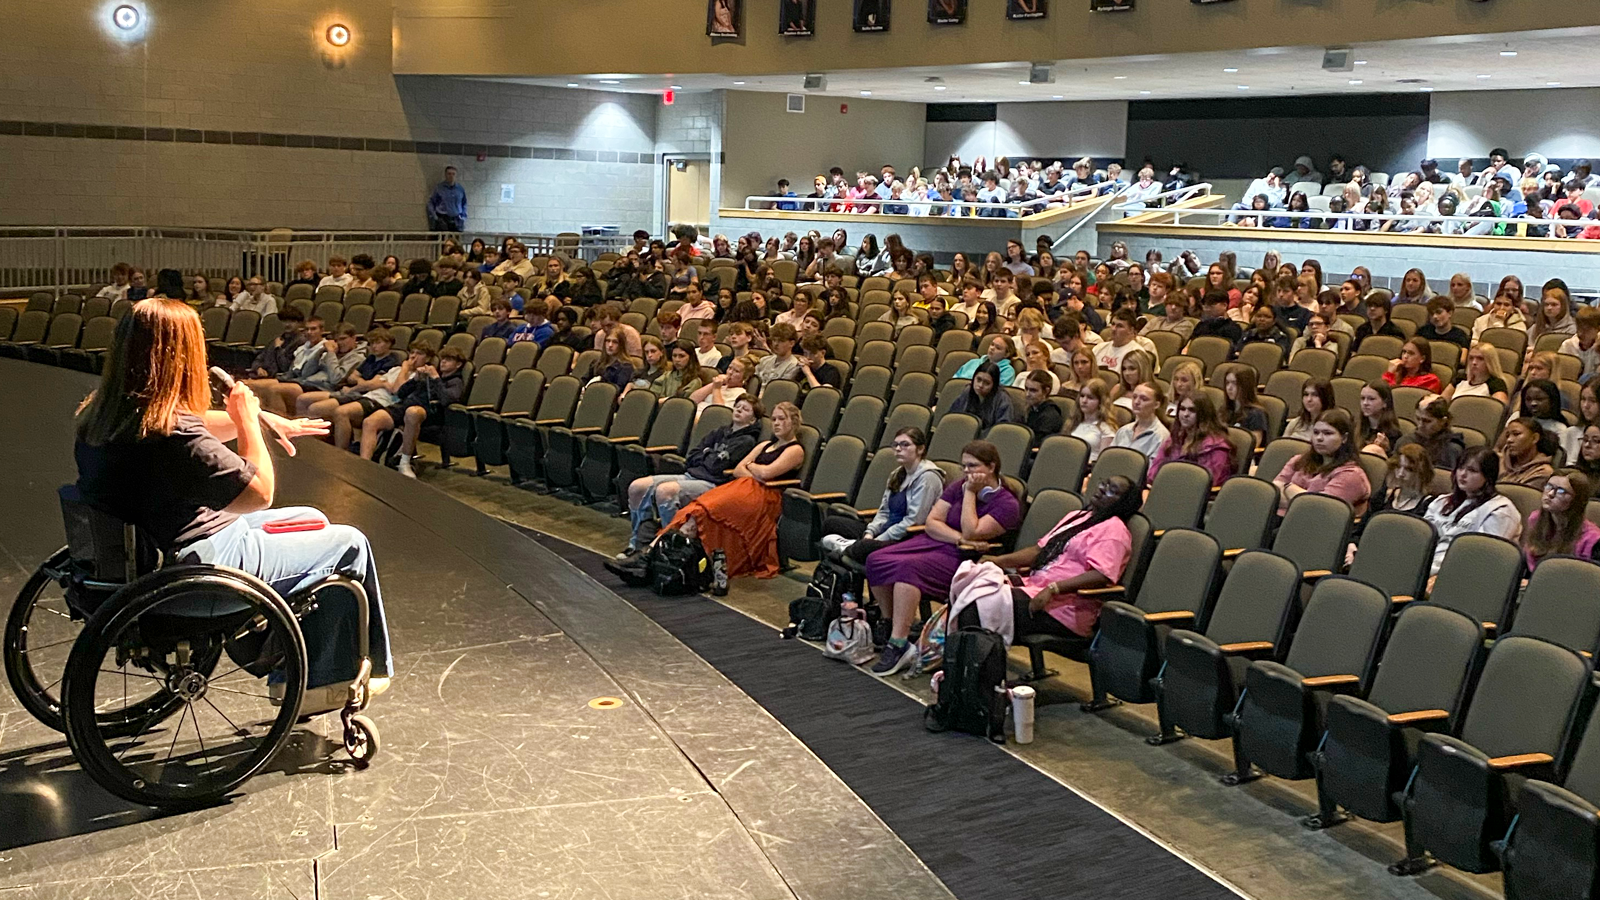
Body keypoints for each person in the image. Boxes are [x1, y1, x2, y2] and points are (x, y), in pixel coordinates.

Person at [73, 298, 390, 709]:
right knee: (349, 542)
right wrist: (245, 421)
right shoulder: (176, 440)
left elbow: (192, 425)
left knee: (312, 518)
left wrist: (265, 420)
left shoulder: (101, 417)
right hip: (196, 566)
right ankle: (322, 679)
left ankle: (277, 650)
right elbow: (259, 494)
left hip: (148, 556)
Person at [863, 442, 1023, 675]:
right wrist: (957, 538)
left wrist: (970, 493)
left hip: (967, 560)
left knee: (907, 570)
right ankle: (889, 624)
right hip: (942, 544)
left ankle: (899, 643)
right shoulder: (958, 486)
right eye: (964, 467)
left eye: (973, 466)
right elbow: (932, 522)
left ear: (991, 467)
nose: (967, 472)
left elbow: (973, 532)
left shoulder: (1006, 503)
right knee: (876, 558)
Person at [963, 476, 1141, 644]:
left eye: (1112, 490)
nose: (1103, 489)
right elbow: (1039, 551)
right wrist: (998, 561)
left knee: (980, 604)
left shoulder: (1115, 531)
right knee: (970, 585)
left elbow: (1101, 575)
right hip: (1034, 586)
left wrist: (1053, 589)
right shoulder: (1077, 516)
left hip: (1063, 608)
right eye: (1105, 483)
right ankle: (954, 660)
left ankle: (974, 668)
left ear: (1123, 503)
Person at [659, 401, 806, 580]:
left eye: (782, 419)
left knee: (703, 513)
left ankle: (672, 562)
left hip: (765, 497)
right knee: (693, 511)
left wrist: (751, 466)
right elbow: (737, 469)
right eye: (774, 419)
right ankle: (656, 554)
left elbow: (767, 473)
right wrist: (755, 470)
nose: (776, 423)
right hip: (743, 488)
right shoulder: (765, 445)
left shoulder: (795, 449)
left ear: (794, 422)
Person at [818, 427, 944, 569]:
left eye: (905, 444)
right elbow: (884, 511)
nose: (898, 449)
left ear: (920, 449)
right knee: (832, 523)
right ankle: (851, 547)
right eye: (895, 444)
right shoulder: (897, 474)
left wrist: (879, 539)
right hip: (885, 532)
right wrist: (870, 533)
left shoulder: (928, 478)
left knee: (865, 548)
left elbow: (914, 521)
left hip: (906, 539)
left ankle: (850, 547)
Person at [358, 344, 466, 478]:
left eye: (448, 360)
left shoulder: (455, 381)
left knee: (412, 413)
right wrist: (415, 380)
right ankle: (364, 464)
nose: (443, 362)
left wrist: (436, 378)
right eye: (443, 358)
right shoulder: (426, 376)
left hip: (429, 413)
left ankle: (404, 462)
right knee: (370, 422)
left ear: (458, 365)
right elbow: (401, 393)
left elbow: (446, 400)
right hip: (405, 406)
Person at [1421, 447, 1521, 576]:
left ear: (1488, 476)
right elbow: (1421, 539)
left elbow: (1481, 557)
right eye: (1460, 468)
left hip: (1457, 576)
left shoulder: (1500, 510)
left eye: (1472, 470)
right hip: (1421, 568)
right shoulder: (1441, 502)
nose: (1462, 474)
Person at [1271, 409, 1371, 517]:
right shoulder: (1298, 460)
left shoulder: (1351, 475)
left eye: (1327, 433)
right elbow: (1273, 494)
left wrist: (1288, 487)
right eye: (1316, 432)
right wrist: (1302, 498)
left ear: (1344, 438)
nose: (1319, 438)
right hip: (1281, 520)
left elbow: (1319, 509)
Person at [1149, 393, 1233, 487]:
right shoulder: (1175, 438)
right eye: (1182, 409)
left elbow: (1205, 483)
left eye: (1192, 410)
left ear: (1203, 414)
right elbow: (1153, 472)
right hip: (1166, 489)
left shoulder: (1216, 447)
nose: (1185, 414)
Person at [1522, 470, 1599, 570]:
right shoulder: (1535, 519)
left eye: (1561, 491)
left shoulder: (1593, 539)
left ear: (1577, 500)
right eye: (1549, 486)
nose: (1550, 494)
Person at [950, 361, 1017, 434]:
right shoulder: (967, 391)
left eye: (987, 383)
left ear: (994, 385)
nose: (980, 385)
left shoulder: (1003, 400)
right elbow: (953, 417)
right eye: (978, 380)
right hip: (963, 434)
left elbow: (1001, 432)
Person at [1111, 381, 1170, 458]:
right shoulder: (1123, 430)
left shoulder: (1160, 436)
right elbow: (1109, 459)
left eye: (1144, 399)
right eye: (1134, 397)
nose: (1136, 402)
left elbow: (1153, 468)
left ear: (1156, 405)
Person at [1496, 416, 1556, 490]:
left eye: (1516, 434)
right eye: (1507, 435)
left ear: (1534, 438)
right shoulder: (1498, 461)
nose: (1509, 440)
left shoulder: (1542, 472)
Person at [1373, 444, 1434, 516]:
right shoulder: (1384, 495)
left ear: (1421, 474)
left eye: (1408, 469)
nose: (1400, 473)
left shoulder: (1428, 505)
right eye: (1398, 467)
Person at [1224, 366, 1269, 447]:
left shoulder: (1256, 414)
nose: (1229, 388)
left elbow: (1253, 445)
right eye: (1227, 383)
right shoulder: (1226, 410)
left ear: (1245, 386)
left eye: (1234, 383)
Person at [1019, 370, 1064, 451]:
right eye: (1026, 389)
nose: (1027, 394)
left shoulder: (1050, 416)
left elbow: (1038, 444)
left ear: (1046, 391)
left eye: (1033, 390)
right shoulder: (1029, 409)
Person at [1358, 380, 1403, 455]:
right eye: (1362, 398)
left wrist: (1387, 450)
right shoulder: (1354, 426)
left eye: (1371, 399)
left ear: (1385, 403)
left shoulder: (1393, 434)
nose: (1365, 403)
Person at [1529, 280, 1577, 348]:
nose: (1549, 308)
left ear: (1563, 306)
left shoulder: (1571, 330)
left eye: (1554, 304)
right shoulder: (1536, 327)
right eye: (1546, 304)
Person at [1561, 306, 1600, 383]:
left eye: (1587, 330)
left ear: (1598, 329)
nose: (1580, 333)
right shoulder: (1568, 345)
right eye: (1579, 328)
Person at [427, 166, 467, 232]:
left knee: (455, 241)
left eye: (453, 174)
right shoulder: (439, 188)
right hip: (442, 219)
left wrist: (463, 217)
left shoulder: (460, 189)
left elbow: (464, 203)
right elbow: (431, 202)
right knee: (443, 241)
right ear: (445, 175)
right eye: (449, 174)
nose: (451, 176)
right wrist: (435, 217)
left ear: (456, 175)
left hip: (457, 221)